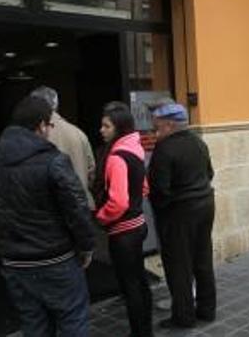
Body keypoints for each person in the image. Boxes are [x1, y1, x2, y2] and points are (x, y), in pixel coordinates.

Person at [0, 96, 95, 337]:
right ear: (40, 125)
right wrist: (86, 247)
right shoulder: (53, 162)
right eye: (50, 125)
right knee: (73, 320)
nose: (50, 131)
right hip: (57, 259)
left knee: (33, 325)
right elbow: (77, 208)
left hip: (15, 263)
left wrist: (2, 247)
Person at [148, 103, 216, 329]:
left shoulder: (164, 149)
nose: (155, 133)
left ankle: (184, 317)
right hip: (205, 205)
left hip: (179, 212)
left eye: (157, 128)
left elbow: (159, 190)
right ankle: (207, 310)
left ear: (169, 125)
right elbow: (210, 173)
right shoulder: (199, 142)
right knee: (203, 259)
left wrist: (163, 212)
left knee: (179, 266)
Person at [96, 102, 152, 337]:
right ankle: (145, 330)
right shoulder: (136, 148)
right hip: (138, 225)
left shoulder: (116, 157)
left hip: (123, 231)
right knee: (139, 281)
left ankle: (139, 333)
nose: (101, 130)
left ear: (118, 128)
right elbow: (144, 187)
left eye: (106, 126)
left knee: (130, 287)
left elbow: (118, 202)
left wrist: (100, 216)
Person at [31, 86, 97, 209]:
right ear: (56, 105)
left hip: (52, 212)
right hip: (82, 207)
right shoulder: (78, 133)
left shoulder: (34, 134)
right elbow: (91, 172)